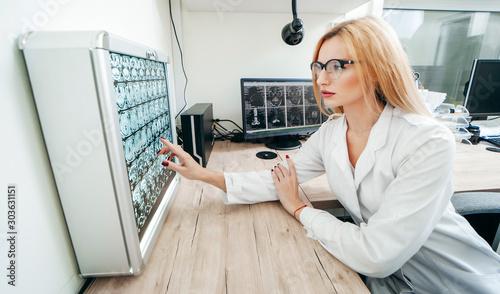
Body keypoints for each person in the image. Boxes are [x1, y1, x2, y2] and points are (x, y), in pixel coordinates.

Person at [157, 15, 500, 293]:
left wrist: (301, 209)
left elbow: (376, 255)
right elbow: (279, 178)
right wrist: (203, 174)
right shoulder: (333, 132)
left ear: (379, 67)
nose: (321, 77)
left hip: (456, 281)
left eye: (336, 65)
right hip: (390, 280)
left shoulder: (426, 141)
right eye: (318, 66)